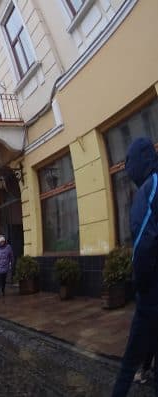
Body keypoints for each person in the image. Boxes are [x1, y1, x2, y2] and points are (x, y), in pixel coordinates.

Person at [112, 137, 158, 396]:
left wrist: (139, 284)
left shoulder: (149, 189)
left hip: (152, 295)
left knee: (129, 363)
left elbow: (142, 245)